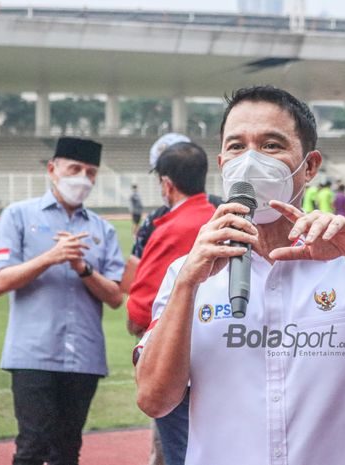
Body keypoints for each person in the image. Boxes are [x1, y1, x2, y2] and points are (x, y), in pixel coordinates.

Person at [134, 85, 345, 465]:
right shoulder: (188, 274)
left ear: (309, 166)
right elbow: (154, 400)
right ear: (223, 163)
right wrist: (188, 286)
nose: (251, 160)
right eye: (238, 147)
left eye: (271, 145)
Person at [0, 137, 124, 465]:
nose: (82, 178)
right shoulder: (18, 216)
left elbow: (116, 296)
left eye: (90, 172)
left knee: (68, 449)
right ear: (53, 169)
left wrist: (82, 268)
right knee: (32, 445)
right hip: (33, 354)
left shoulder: (102, 230)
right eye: (74, 169)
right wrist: (50, 258)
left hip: (84, 357)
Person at [127, 141, 217, 465]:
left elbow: (139, 308)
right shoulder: (220, 218)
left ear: (167, 184)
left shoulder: (168, 228)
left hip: (176, 367)